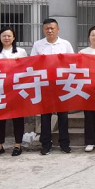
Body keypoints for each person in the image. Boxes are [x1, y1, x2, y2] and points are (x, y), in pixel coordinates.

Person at [31, 18, 75, 155]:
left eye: (52, 28)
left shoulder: (65, 44)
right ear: (43, 30)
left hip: (62, 84)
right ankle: (46, 144)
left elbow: (72, 62)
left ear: (58, 29)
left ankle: (64, 143)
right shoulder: (38, 45)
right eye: (47, 28)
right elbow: (32, 63)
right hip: (45, 84)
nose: (50, 31)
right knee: (45, 116)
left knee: (63, 115)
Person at [0, 27, 28, 157]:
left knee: (18, 118)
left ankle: (18, 145)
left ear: (14, 38)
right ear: (0, 38)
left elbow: (27, 69)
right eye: (4, 36)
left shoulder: (21, 52)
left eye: (9, 36)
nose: (7, 38)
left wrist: (19, 63)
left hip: (16, 89)